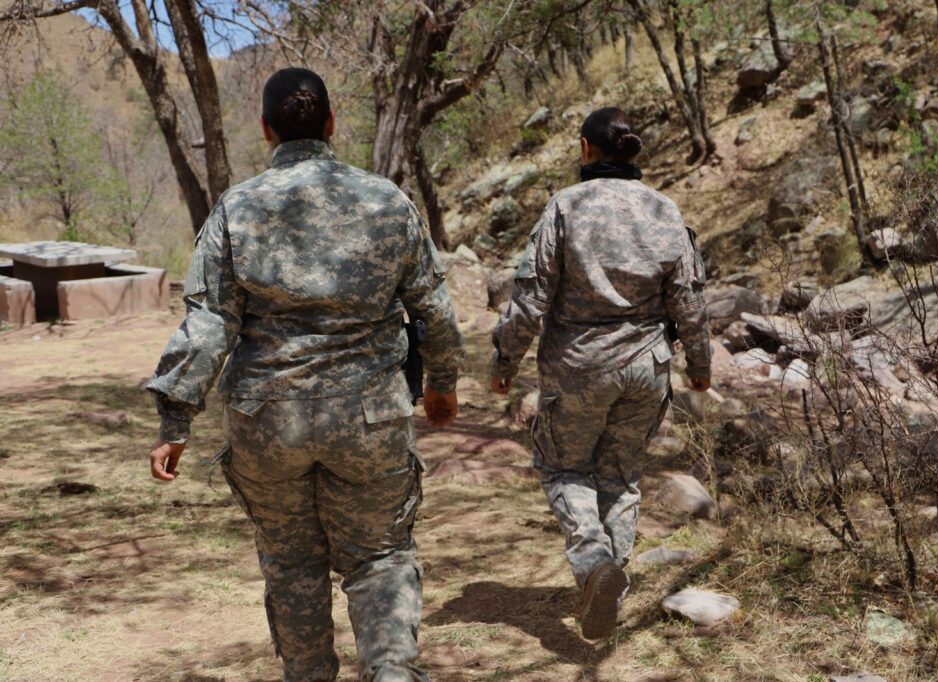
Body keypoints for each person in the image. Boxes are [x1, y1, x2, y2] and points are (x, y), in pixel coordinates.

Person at [146, 67, 463, 682]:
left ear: (266, 129)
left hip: (268, 422)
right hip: (369, 415)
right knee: (380, 556)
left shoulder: (238, 207)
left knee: (292, 564)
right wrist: (442, 384)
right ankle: (392, 672)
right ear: (332, 123)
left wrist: (174, 421)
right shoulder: (386, 201)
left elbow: (209, 324)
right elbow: (434, 310)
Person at [489, 106, 712, 640]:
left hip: (579, 367)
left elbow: (530, 298)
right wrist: (700, 364)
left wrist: (504, 360)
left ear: (586, 149)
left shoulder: (566, 206)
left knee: (562, 467)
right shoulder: (663, 209)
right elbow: (689, 299)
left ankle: (594, 566)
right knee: (620, 475)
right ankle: (613, 584)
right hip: (647, 367)